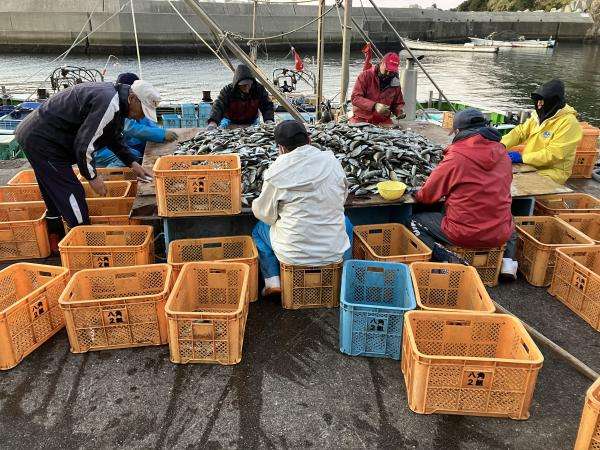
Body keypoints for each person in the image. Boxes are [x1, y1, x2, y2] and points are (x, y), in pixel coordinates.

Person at [15, 79, 155, 248]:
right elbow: (84, 145)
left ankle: (54, 239)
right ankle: (85, 244)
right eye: (143, 111)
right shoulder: (109, 103)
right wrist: (92, 177)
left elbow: (111, 135)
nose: (141, 118)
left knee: (53, 195)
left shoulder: (117, 100)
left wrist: (132, 163)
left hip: (40, 136)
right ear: (132, 98)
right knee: (71, 192)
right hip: (43, 142)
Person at [406, 108, 517, 277]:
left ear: (458, 131)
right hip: (499, 234)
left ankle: (447, 259)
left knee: (412, 221)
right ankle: (508, 265)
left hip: (463, 233)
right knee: (508, 217)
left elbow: (427, 196)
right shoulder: (503, 154)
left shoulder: (456, 156)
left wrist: (415, 193)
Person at [251, 120, 353, 296]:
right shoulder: (332, 162)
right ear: (309, 140)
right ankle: (344, 277)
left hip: (293, 256)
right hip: (332, 252)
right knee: (346, 222)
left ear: (281, 148)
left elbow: (264, 215)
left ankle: (273, 282)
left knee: (260, 230)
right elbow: (342, 198)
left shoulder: (276, 171)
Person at [502, 79, 583, 185]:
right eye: (538, 100)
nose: (539, 104)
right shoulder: (538, 115)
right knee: (501, 174)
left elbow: (554, 154)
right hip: (530, 163)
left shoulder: (569, 123)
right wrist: (500, 145)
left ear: (554, 101)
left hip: (552, 171)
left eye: (543, 101)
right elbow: (520, 132)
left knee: (516, 183)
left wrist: (522, 158)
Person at [94, 73, 178, 167]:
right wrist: (161, 134)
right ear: (131, 96)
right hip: (99, 150)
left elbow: (147, 123)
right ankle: (108, 176)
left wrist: (161, 132)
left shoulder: (132, 105)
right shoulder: (115, 107)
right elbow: (131, 129)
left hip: (115, 143)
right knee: (132, 156)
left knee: (135, 154)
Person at [207, 64, 275, 129]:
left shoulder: (259, 89)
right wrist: (213, 122)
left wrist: (268, 119)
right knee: (221, 128)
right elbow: (218, 105)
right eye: (244, 86)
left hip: (251, 120)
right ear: (237, 84)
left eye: (249, 84)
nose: (247, 88)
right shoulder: (228, 91)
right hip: (229, 120)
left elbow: (267, 105)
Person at [350, 52, 405, 126]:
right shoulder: (365, 76)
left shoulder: (395, 81)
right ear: (381, 62)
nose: (388, 73)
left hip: (383, 121)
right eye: (387, 69)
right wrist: (374, 105)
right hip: (361, 119)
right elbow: (355, 98)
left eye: (391, 71)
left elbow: (397, 103)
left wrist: (399, 111)